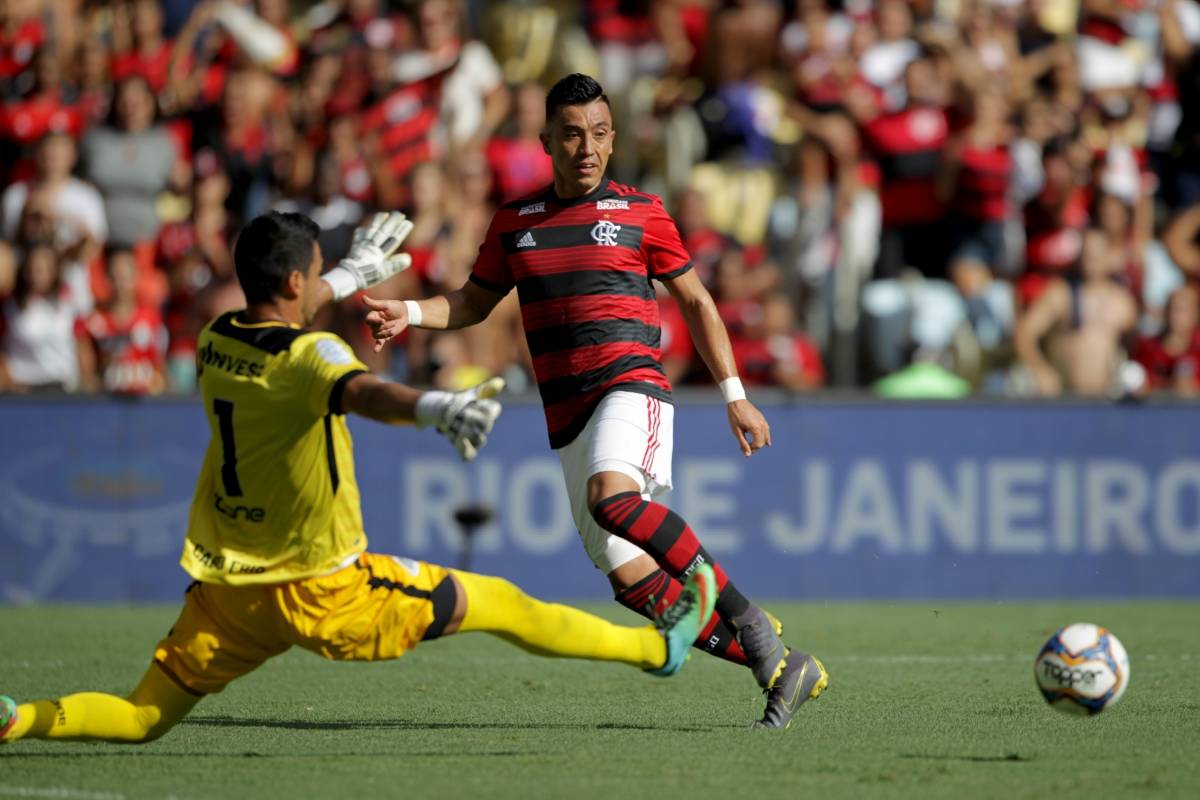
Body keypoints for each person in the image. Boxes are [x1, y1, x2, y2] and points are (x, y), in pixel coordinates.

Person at [0, 210, 716, 746]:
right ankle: (658, 648)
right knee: (502, 602)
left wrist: (350, 274)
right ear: (293, 282)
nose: (321, 280)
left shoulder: (215, 338)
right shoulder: (311, 358)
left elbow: (287, 308)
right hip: (322, 588)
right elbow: (368, 393)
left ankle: (19, 719)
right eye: (316, 272)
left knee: (144, 715)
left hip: (231, 593)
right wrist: (438, 406)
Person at [363, 73, 829, 729]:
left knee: (611, 499)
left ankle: (750, 620)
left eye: (601, 134)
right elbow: (471, 304)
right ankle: (782, 669)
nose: (589, 148)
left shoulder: (641, 212)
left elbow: (696, 301)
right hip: (566, 413)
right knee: (635, 585)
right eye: (574, 134)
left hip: (630, 383)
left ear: (613, 139)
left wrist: (735, 395)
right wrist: (408, 311)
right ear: (547, 140)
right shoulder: (515, 222)